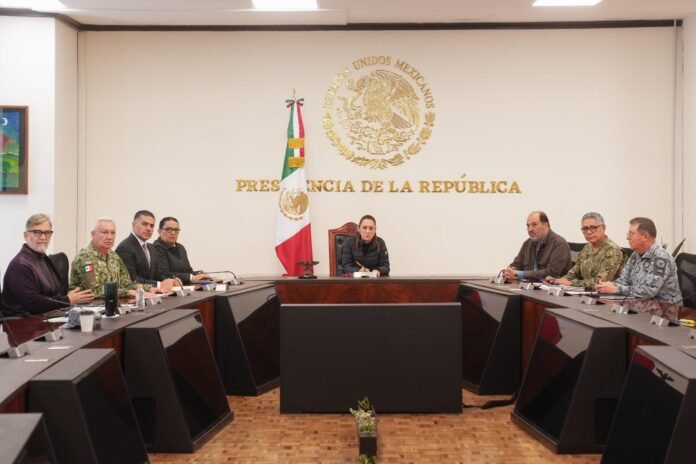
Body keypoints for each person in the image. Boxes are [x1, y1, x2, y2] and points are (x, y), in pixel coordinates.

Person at [1, 214, 94, 316]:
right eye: (37, 232)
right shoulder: (20, 265)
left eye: (47, 233)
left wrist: (70, 297)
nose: (43, 237)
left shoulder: (42, 258)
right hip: (24, 322)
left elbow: (55, 293)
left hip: (48, 316)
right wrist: (68, 299)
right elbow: (33, 303)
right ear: (26, 236)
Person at [596, 217, 682, 305]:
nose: (627, 238)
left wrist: (617, 289)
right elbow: (624, 280)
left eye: (631, 234)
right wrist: (608, 286)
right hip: (640, 305)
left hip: (665, 309)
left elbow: (649, 291)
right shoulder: (635, 255)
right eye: (628, 234)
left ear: (645, 237)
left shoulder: (661, 257)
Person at [70, 217, 163, 298]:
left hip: (113, 303)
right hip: (88, 307)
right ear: (93, 234)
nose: (109, 237)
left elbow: (126, 283)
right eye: (105, 232)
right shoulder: (85, 257)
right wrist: (129, 292)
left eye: (113, 233)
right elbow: (94, 290)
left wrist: (148, 288)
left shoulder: (113, 256)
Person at [546, 212, 625, 289]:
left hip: (605, 295)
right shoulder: (587, 248)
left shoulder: (613, 250)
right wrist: (558, 281)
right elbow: (574, 273)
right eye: (585, 228)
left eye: (593, 228)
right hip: (584, 292)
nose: (589, 232)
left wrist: (571, 283)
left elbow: (601, 282)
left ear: (603, 228)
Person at [115, 210, 177, 291]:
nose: (149, 229)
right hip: (136, 296)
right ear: (133, 225)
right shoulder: (124, 248)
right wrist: (159, 284)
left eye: (152, 226)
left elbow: (157, 274)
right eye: (144, 224)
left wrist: (170, 280)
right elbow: (131, 279)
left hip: (154, 294)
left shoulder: (152, 248)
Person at [503, 211, 571, 282]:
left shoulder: (559, 244)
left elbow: (552, 272)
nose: (530, 229)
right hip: (529, 286)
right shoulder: (527, 243)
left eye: (534, 225)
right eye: (528, 226)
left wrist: (520, 274)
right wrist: (508, 272)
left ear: (545, 225)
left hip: (552, 287)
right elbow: (517, 264)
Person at [153, 217, 212, 284]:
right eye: (168, 229)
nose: (173, 233)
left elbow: (188, 271)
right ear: (159, 231)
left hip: (187, 286)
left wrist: (199, 274)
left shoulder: (180, 247)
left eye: (176, 230)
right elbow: (163, 274)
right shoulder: (156, 248)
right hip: (170, 288)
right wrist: (191, 277)